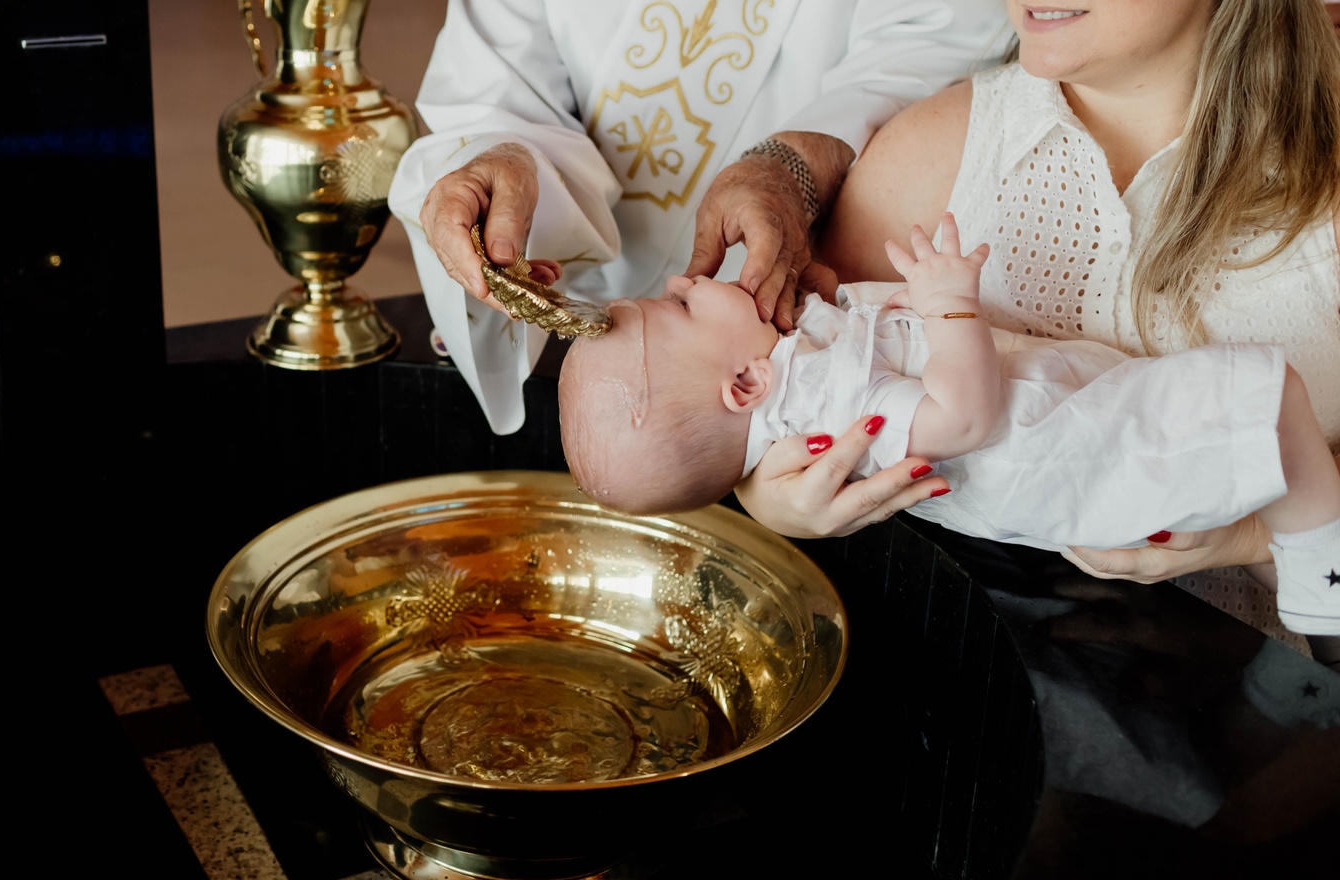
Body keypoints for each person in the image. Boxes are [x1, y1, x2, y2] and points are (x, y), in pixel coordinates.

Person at [733, 0, 1340, 657]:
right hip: (947, 670)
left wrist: (1253, 538)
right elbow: (782, 388)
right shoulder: (930, 151)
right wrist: (766, 494)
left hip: (1250, 703)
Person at [557, 213, 1340, 635]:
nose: (682, 278)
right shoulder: (824, 396)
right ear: (744, 384)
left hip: (1075, 437)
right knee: (1271, 397)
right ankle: (1322, 571)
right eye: (679, 306)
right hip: (1075, 447)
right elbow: (963, 417)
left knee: (1266, 417)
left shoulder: (802, 378)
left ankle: (1313, 570)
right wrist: (950, 306)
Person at [389, 0, 1010, 435]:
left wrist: (792, 164)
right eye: (682, 298)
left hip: (812, 303)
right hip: (577, 346)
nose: (680, 282)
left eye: (680, 298)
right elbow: (493, 83)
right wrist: (500, 160)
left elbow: (933, 36)